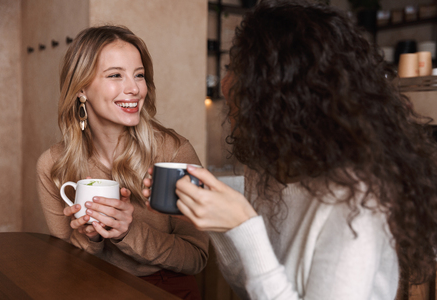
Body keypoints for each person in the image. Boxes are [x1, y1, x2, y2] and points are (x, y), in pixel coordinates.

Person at [144, 1, 437, 299]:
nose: (225, 85)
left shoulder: (357, 200)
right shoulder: (268, 171)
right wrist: (217, 225)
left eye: (235, 69)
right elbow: (249, 289)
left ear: (279, 90)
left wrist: (244, 225)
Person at [37, 25, 208, 300]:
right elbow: (66, 265)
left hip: (165, 288)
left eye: (139, 75)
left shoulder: (172, 152)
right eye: (115, 75)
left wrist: (128, 232)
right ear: (81, 88)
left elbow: (196, 258)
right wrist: (92, 238)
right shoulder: (54, 165)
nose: (134, 89)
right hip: (92, 289)